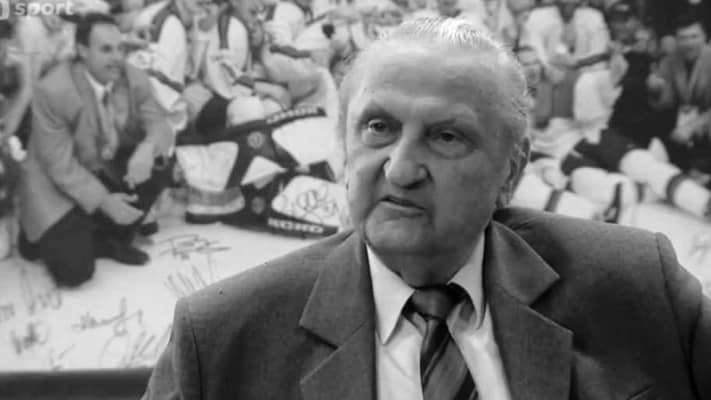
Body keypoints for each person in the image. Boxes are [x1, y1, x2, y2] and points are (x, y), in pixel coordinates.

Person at [143, 18, 711, 399]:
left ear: (510, 171)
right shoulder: (219, 340)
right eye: (378, 127)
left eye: (445, 136)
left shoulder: (639, 285)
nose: (399, 169)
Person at [17, 13, 174, 288]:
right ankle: (44, 237)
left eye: (120, 48)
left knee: (161, 164)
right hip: (54, 182)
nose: (117, 57)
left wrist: (147, 148)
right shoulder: (52, 90)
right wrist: (103, 201)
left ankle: (110, 236)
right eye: (106, 49)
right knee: (75, 272)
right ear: (82, 50)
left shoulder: (133, 78)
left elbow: (160, 124)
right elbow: (58, 165)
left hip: (98, 167)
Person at [649, 13, 711, 176]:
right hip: (685, 117)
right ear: (676, 40)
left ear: (705, 37)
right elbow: (666, 104)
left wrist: (692, 127)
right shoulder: (669, 61)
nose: (689, 43)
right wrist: (656, 90)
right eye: (683, 38)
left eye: (694, 37)